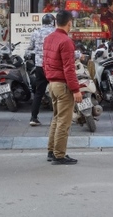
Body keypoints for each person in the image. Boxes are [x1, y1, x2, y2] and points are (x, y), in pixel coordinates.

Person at [43, 10, 82, 165]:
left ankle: (51, 151)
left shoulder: (48, 39)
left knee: (56, 119)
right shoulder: (66, 41)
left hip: (52, 84)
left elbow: (45, 63)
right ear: (69, 23)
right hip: (63, 85)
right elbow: (69, 68)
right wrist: (76, 89)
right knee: (64, 122)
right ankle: (59, 155)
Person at [27, 13, 56, 126]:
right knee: (58, 91)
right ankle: (58, 117)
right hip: (53, 66)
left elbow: (30, 48)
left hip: (39, 66)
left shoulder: (36, 32)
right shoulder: (55, 32)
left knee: (39, 92)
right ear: (52, 22)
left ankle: (33, 118)